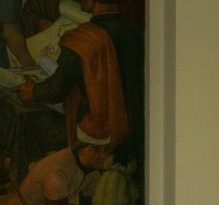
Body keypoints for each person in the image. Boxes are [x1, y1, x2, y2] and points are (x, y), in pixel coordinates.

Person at [17, 0, 144, 177]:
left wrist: (32, 91)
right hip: (136, 135)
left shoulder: (83, 39)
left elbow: (57, 88)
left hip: (96, 135)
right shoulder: (138, 34)